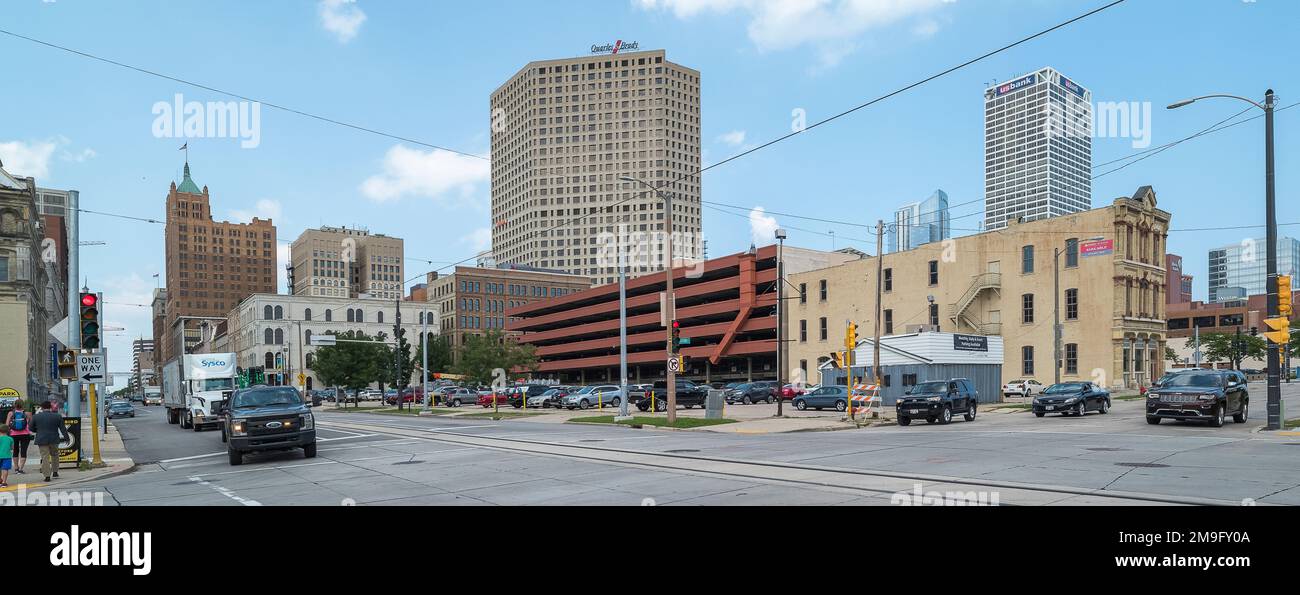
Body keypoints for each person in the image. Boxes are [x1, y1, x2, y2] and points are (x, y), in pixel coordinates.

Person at [32, 401, 68, 482]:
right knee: (55, 455)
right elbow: (63, 428)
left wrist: (39, 430)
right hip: (54, 439)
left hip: (41, 439)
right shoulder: (57, 416)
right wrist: (66, 438)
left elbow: (31, 428)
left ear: (41, 407)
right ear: (50, 407)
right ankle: (55, 472)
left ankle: (47, 476)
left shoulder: (36, 417)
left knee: (45, 457)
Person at [5, 400, 33, 475]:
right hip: (25, 434)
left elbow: (7, 425)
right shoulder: (27, 413)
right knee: (23, 451)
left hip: (13, 434)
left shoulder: (11, 413)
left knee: (15, 451)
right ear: (23, 405)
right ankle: (21, 469)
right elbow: (31, 424)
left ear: (15, 405)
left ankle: (16, 468)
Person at [0, 424, 12, 488]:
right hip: (7, 456)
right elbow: (12, 448)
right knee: (5, 469)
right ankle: (4, 482)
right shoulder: (10, 438)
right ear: (8, 431)